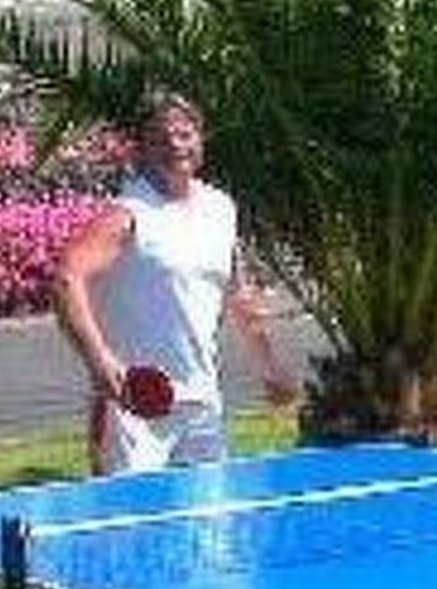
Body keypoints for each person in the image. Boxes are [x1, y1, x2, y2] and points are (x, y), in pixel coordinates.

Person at [55, 88, 297, 476]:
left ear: (201, 140)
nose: (175, 145)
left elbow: (238, 295)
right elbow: (68, 277)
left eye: (185, 134)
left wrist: (270, 368)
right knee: (131, 515)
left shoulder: (220, 208)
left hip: (202, 404)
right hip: (132, 408)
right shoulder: (126, 216)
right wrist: (100, 361)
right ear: (140, 149)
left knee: (207, 513)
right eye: (160, 138)